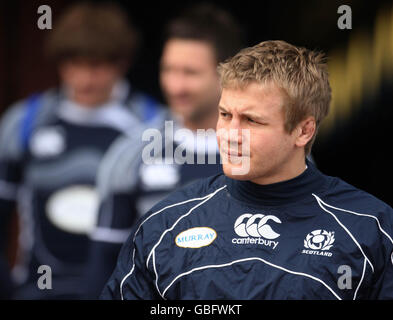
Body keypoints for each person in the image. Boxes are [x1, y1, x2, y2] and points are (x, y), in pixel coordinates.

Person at [101, 40, 393, 300]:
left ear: (304, 131)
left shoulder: (371, 228)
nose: (230, 134)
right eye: (225, 115)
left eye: (252, 121)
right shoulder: (166, 222)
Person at [0, 2, 163, 299]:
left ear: (121, 63)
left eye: (96, 66)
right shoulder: (24, 122)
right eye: (73, 64)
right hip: (37, 289)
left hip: (124, 293)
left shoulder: (153, 124)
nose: (84, 79)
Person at [85, 3, 244, 298]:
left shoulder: (266, 150)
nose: (176, 85)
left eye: (190, 73)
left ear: (228, 74)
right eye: (168, 70)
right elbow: (104, 265)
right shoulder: (131, 152)